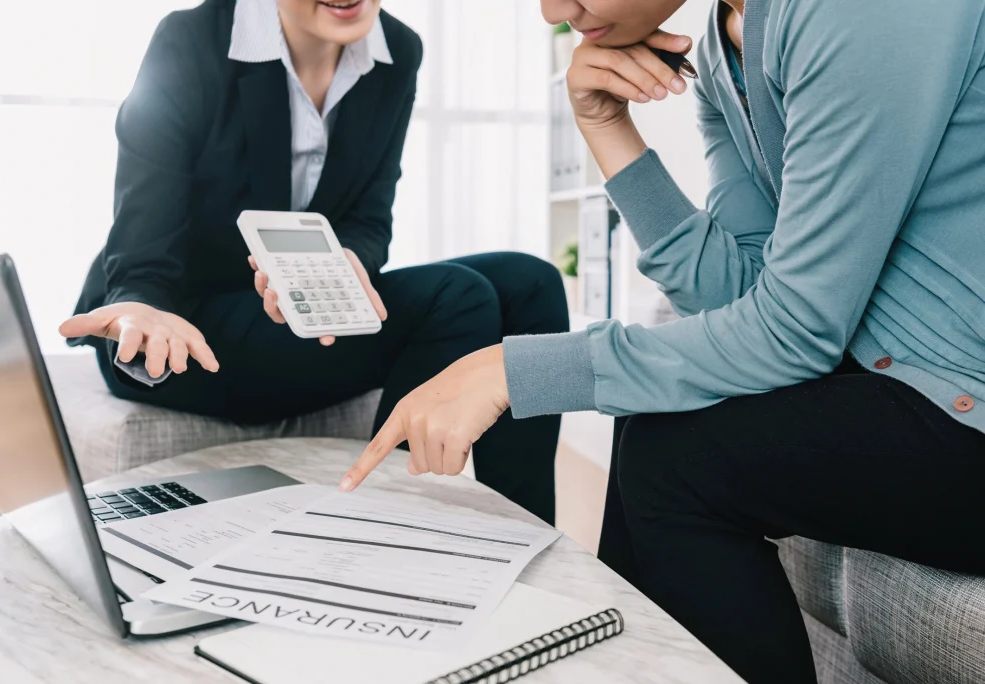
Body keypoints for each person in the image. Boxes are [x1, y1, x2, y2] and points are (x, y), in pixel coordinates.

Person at [338, 0, 985, 681]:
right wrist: (607, 126)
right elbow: (739, 299)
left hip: (964, 406)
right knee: (654, 415)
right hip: (914, 393)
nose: (554, 11)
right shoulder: (725, 43)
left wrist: (516, 369)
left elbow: (794, 331)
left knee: (674, 458)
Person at [59, 0, 568, 524]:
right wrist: (137, 307)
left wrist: (343, 261)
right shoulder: (194, 38)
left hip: (297, 307)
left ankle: (525, 536)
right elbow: (144, 244)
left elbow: (369, 219)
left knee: (532, 283)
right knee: (458, 298)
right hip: (177, 321)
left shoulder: (397, 51)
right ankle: (382, 537)